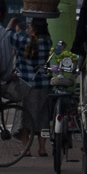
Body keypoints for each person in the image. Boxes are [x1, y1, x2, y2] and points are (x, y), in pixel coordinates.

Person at [8, 15, 53, 156]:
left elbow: (7, 34)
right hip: (43, 85)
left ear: (32, 28)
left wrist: (11, 22)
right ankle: (42, 149)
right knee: (43, 117)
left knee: (24, 118)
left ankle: (26, 149)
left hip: (25, 85)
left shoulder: (23, 40)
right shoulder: (47, 42)